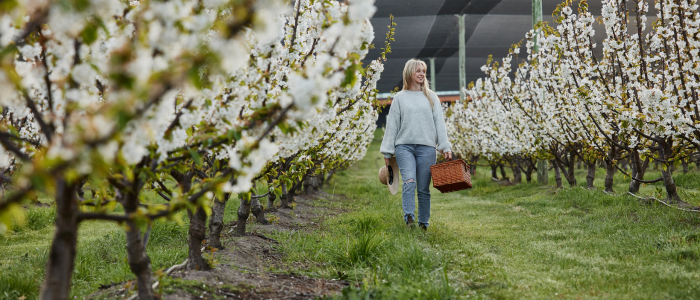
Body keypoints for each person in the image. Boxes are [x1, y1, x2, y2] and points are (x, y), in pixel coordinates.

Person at [380, 59, 452, 230]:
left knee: (423, 189)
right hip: (404, 147)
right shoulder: (400, 98)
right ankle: (409, 219)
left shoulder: (431, 97)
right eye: (418, 71)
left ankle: (423, 223)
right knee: (409, 182)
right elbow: (392, 126)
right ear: (409, 73)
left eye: (423, 71)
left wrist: (445, 146)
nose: (421, 74)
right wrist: (387, 152)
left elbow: (439, 124)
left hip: (427, 148)